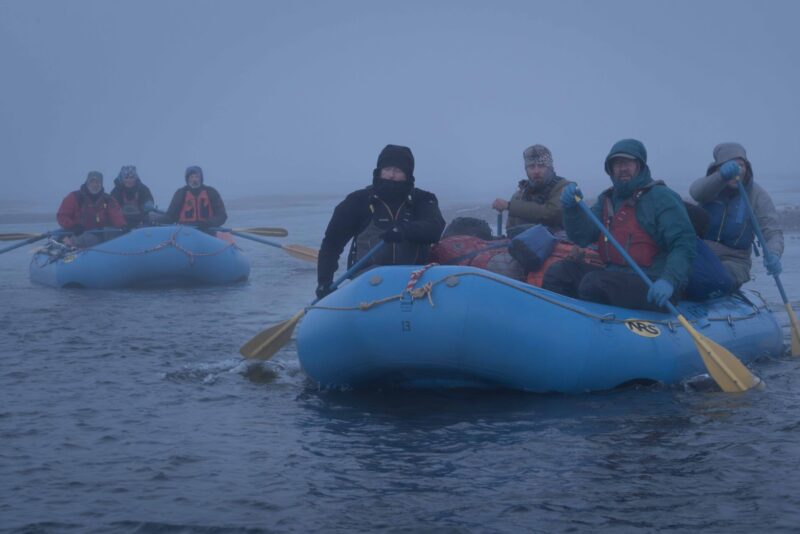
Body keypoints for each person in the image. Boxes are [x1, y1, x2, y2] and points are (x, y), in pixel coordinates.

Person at [542, 139, 696, 311]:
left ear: (639, 165)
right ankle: (558, 325)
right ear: (610, 169)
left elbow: (684, 244)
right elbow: (582, 236)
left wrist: (669, 280)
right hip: (616, 276)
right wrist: (571, 209)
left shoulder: (662, 197)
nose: (622, 168)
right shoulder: (607, 199)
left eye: (628, 162)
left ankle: (597, 332)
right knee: (558, 273)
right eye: (616, 164)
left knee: (594, 284)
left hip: (655, 283)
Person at [316, 144, 446, 299]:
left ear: (408, 174)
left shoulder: (423, 199)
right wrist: (324, 281)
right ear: (379, 171)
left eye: (398, 171)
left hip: (414, 281)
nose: (391, 175)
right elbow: (332, 243)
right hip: (367, 281)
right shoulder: (357, 201)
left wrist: (404, 230)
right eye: (387, 169)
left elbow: (435, 228)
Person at [689, 142, 783, 288]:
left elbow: (773, 233)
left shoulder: (758, 195)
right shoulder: (708, 187)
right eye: (728, 166)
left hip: (735, 261)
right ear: (717, 169)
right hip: (701, 252)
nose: (735, 171)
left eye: (740, 165)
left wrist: (773, 254)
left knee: (716, 277)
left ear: (747, 168)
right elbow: (695, 192)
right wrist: (720, 176)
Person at [492, 144, 570, 233]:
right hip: (524, 245)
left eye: (541, 166)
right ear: (526, 169)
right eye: (531, 166)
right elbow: (511, 230)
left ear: (550, 168)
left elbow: (550, 213)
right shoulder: (518, 196)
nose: (536, 171)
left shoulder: (565, 188)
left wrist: (509, 206)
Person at [57, 171, 126, 247]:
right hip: (79, 233)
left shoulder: (108, 199)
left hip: (101, 233)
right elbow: (62, 216)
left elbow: (116, 214)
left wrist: (122, 226)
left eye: (98, 182)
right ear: (87, 183)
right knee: (89, 239)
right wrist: (73, 226)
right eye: (92, 182)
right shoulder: (74, 197)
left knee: (115, 234)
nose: (95, 185)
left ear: (101, 184)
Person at [163, 165, 228, 229]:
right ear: (187, 179)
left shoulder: (211, 192)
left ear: (201, 178)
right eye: (191, 177)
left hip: (207, 230)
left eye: (197, 177)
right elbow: (170, 217)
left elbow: (222, 216)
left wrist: (209, 223)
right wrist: (155, 218)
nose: (194, 180)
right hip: (185, 231)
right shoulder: (180, 193)